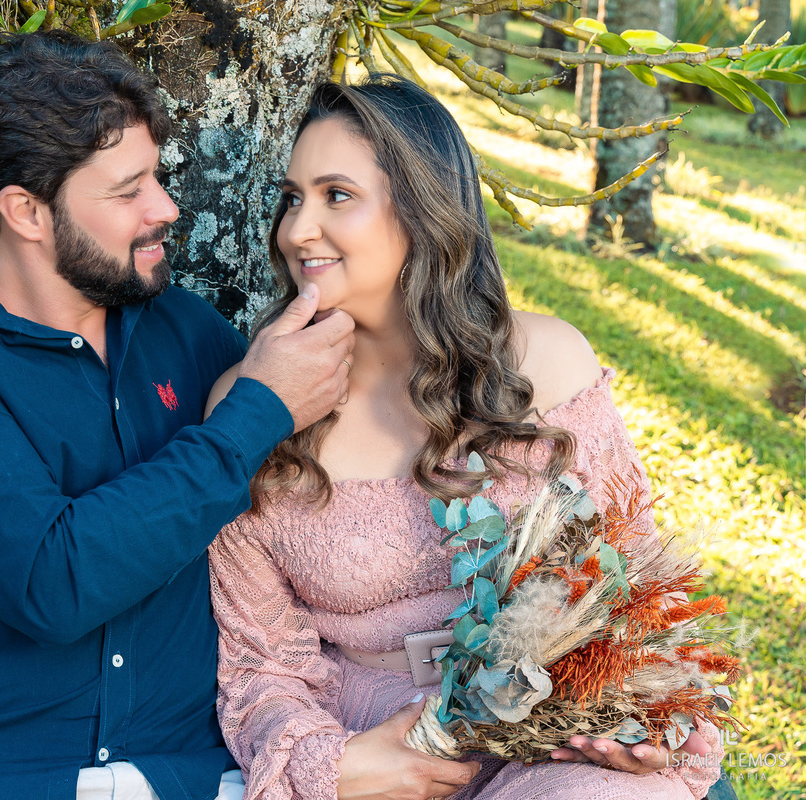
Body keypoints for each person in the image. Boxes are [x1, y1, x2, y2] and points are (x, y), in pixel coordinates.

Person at [0, 31, 356, 800]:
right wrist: (257, 412)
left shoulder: (185, 332)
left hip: (190, 776)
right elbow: (55, 582)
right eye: (128, 191)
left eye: (156, 176)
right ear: (24, 210)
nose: (166, 208)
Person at [205, 76, 724, 800]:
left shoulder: (546, 366)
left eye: (337, 196)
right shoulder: (257, 403)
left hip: (553, 734)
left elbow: (631, 581)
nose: (296, 230)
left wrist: (647, 726)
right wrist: (335, 766)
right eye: (293, 198)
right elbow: (260, 666)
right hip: (373, 742)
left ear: (422, 211)